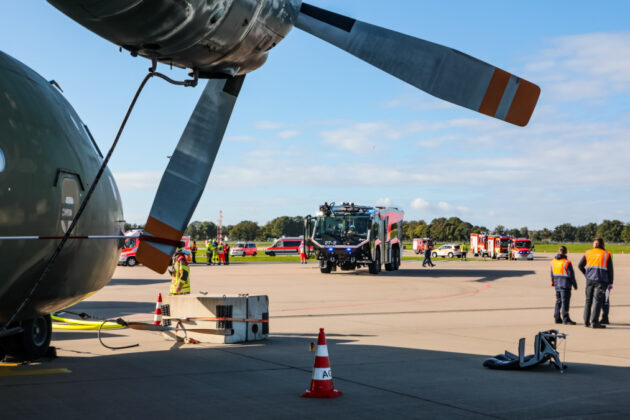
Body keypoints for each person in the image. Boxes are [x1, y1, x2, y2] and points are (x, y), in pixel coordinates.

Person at [578, 238, 613, 328]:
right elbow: (610, 270)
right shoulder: (606, 254)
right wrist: (611, 282)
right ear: (602, 244)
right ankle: (594, 322)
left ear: (595, 244)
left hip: (589, 280)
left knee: (588, 301)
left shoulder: (588, 252)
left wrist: (586, 274)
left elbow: (580, 265)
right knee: (597, 301)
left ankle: (586, 321)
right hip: (601, 281)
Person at [551, 246, 578, 325]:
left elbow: (552, 274)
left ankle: (557, 317)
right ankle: (565, 318)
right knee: (565, 302)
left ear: (558, 251)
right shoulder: (567, 262)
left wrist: (553, 282)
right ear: (566, 252)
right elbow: (571, 275)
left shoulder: (553, 261)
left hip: (557, 284)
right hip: (565, 284)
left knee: (558, 301)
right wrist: (575, 285)